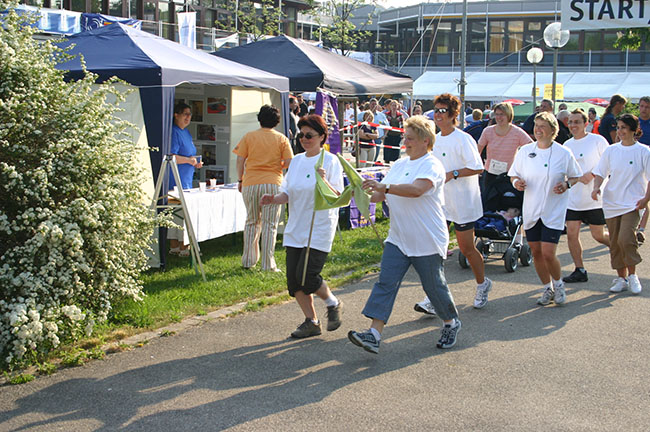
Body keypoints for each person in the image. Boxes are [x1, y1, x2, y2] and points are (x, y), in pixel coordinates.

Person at [348, 115, 462, 354]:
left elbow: (417, 190)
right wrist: (359, 189)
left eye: (410, 138)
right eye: (405, 137)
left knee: (434, 287)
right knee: (386, 282)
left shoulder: (432, 165)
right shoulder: (400, 165)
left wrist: (386, 187)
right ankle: (374, 334)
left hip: (427, 239)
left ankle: (450, 322)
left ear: (425, 140)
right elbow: (379, 196)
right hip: (398, 238)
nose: (405, 142)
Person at [260, 114, 344, 338]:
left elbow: (338, 196)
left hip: (318, 227)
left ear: (322, 137)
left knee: (308, 276)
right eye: (301, 135)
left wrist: (323, 180)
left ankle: (333, 303)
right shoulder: (296, 161)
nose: (304, 139)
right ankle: (311, 322)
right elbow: (287, 192)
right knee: (294, 281)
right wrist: (273, 199)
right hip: (296, 227)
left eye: (309, 135)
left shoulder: (330, 161)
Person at [414, 93, 490, 312]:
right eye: (436, 110)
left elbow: (478, 167)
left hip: (463, 202)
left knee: (467, 249)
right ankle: (433, 297)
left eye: (443, 111)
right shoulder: (434, 140)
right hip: (440, 202)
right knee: (435, 249)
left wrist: (453, 173)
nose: (438, 115)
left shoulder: (463, 139)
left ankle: (482, 284)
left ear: (453, 114)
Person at [508, 112, 582, 306]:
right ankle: (546, 288)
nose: (538, 129)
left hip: (553, 210)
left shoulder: (563, 152)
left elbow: (575, 176)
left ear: (552, 130)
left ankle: (558, 285)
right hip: (532, 209)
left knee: (548, 252)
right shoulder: (525, 151)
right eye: (536, 125)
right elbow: (513, 175)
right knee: (536, 252)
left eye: (542, 126)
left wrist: (566, 185)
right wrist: (516, 183)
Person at [592, 114, 650, 295]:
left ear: (634, 130)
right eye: (618, 127)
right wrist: (596, 187)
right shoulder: (611, 150)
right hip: (611, 203)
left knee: (626, 238)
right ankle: (621, 278)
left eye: (624, 127)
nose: (620, 131)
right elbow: (600, 172)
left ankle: (632, 275)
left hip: (633, 203)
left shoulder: (644, 151)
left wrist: (646, 199)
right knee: (615, 242)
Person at [233, 105, 293, 272]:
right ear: (277, 121)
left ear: (260, 119)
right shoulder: (281, 139)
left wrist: (240, 179)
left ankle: (248, 260)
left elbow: (240, 160)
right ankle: (268, 264)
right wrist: (278, 166)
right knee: (270, 224)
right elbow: (289, 162)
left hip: (250, 182)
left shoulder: (249, 136)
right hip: (272, 182)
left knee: (252, 221)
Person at [562, 109, 611, 283]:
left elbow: (608, 162)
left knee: (598, 235)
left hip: (594, 198)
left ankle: (619, 247)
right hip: (573, 199)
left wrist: (593, 174)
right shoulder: (566, 145)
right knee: (571, 234)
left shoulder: (598, 140)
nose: (573, 125)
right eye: (570, 122)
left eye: (577, 122)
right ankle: (579, 269)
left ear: (586, 123)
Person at [169, 102, 203, 256]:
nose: (188, 117)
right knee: (178, 213)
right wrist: (189, 160)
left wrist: (195, 162)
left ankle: (178, 246)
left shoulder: (186, 132)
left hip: (187, 178)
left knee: (180, 212)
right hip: (176, 178)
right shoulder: (174, 132)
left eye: (190, 114)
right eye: (185, 114)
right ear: (176, 115)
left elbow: (189, 155)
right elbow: (172, 156)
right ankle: (180, 246)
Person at [477, 102, 532, 195]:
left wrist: (523, 165)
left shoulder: (517, 132)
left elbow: (531, 148)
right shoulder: (488, 131)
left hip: (509, 175)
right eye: (497, 114)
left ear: (509, 115)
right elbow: (477, 151)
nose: (499, 117)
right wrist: (478, 167)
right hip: (490, 174)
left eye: (502, 114)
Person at [635, 96, 650, 243]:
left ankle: (641, 229)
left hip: (647, 162)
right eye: (642, 106)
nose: (644, 109)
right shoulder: (634, 123)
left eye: (647, 107)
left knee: (646, 195)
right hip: (633, 162)